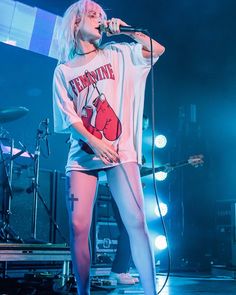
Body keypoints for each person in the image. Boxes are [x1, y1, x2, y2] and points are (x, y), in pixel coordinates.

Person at [52, 1, 165, 294]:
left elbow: (157, 50)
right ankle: (83, 291)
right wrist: (94, 141)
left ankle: (151, 291)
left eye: (103, 15)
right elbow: (69, 116)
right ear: (75, 23)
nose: (100, 19)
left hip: (120, 150)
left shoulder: (117, 54)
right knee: (78, 227)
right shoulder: (63, 70)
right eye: (92, 15)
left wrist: (126, 31)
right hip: (83, 154)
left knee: (137, 221)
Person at [109, 115, 150, 285]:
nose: (142, 131)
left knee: (129, 230)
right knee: (128, 230)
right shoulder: (123, 141)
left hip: (126, 190)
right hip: (120, 190)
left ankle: (122, 270)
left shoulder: (135, 145)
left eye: (145, 129)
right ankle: (118, 271)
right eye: (141, 127)